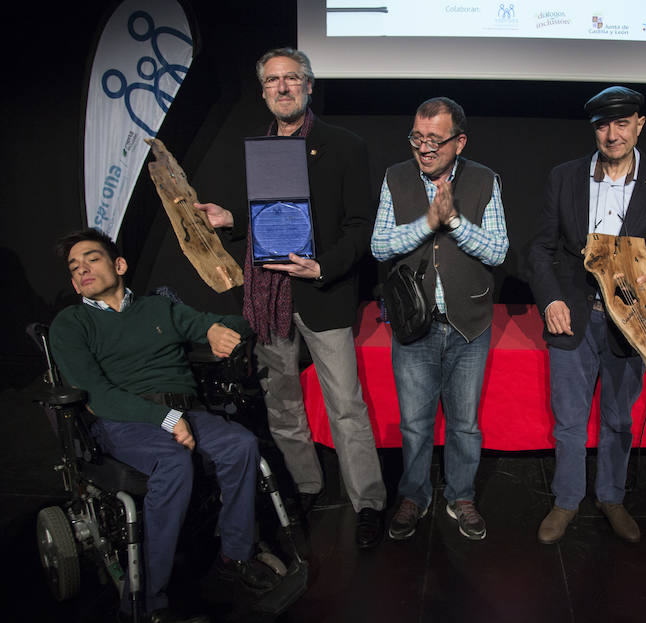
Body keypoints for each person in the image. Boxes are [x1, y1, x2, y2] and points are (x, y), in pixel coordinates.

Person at [195, 48, 386, 549]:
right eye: (272, 80)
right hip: (267, 297)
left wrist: (324, 266)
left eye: (292, 79)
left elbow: (360, 224)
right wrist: (230, 218)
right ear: (263, 91)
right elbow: (268, 215)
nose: (282, 87)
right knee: (282, 404)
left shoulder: (343, 145)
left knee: (345, 405)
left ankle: (367, 501)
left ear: (308, 86)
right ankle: (306, 484)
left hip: (322, 294)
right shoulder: (259, 148)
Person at [49, 228, 278, 623]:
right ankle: (145, 599)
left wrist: (219, 331)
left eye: (92, 258)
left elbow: (230, 321)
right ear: (73, 283)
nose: (83, 269)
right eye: (75, 267)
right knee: (173, 462)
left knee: (241, 444)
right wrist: (166, 419)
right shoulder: (71, 324)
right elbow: (97, 394)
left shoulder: (158, 309)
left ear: (118, 265)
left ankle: (235, 556)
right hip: (125, 421)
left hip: (186, 411)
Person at [527, 86, 646, 544]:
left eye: (621, 123)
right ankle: (567, 500)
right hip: (573, 314)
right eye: (602, 125)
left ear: (639, 124)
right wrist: (551, 299)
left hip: (630, 318)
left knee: (618, 417)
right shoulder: (565, 176)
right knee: (570, 418)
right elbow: (540, 247)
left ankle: (611, 496)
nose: (612, 134)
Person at [371, 97, 509, 541]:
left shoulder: (486, 179)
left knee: (465, 422)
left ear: (459, 140)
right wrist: (428, 222)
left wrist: (454, 222)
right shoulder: (395, 177)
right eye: (417, 137)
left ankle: (460, 494)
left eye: (434, 139)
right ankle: (414, 494)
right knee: (414, 422)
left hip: (469, 323)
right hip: (414, 324)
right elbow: (379, 245)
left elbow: (498, 249)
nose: (424, 148)